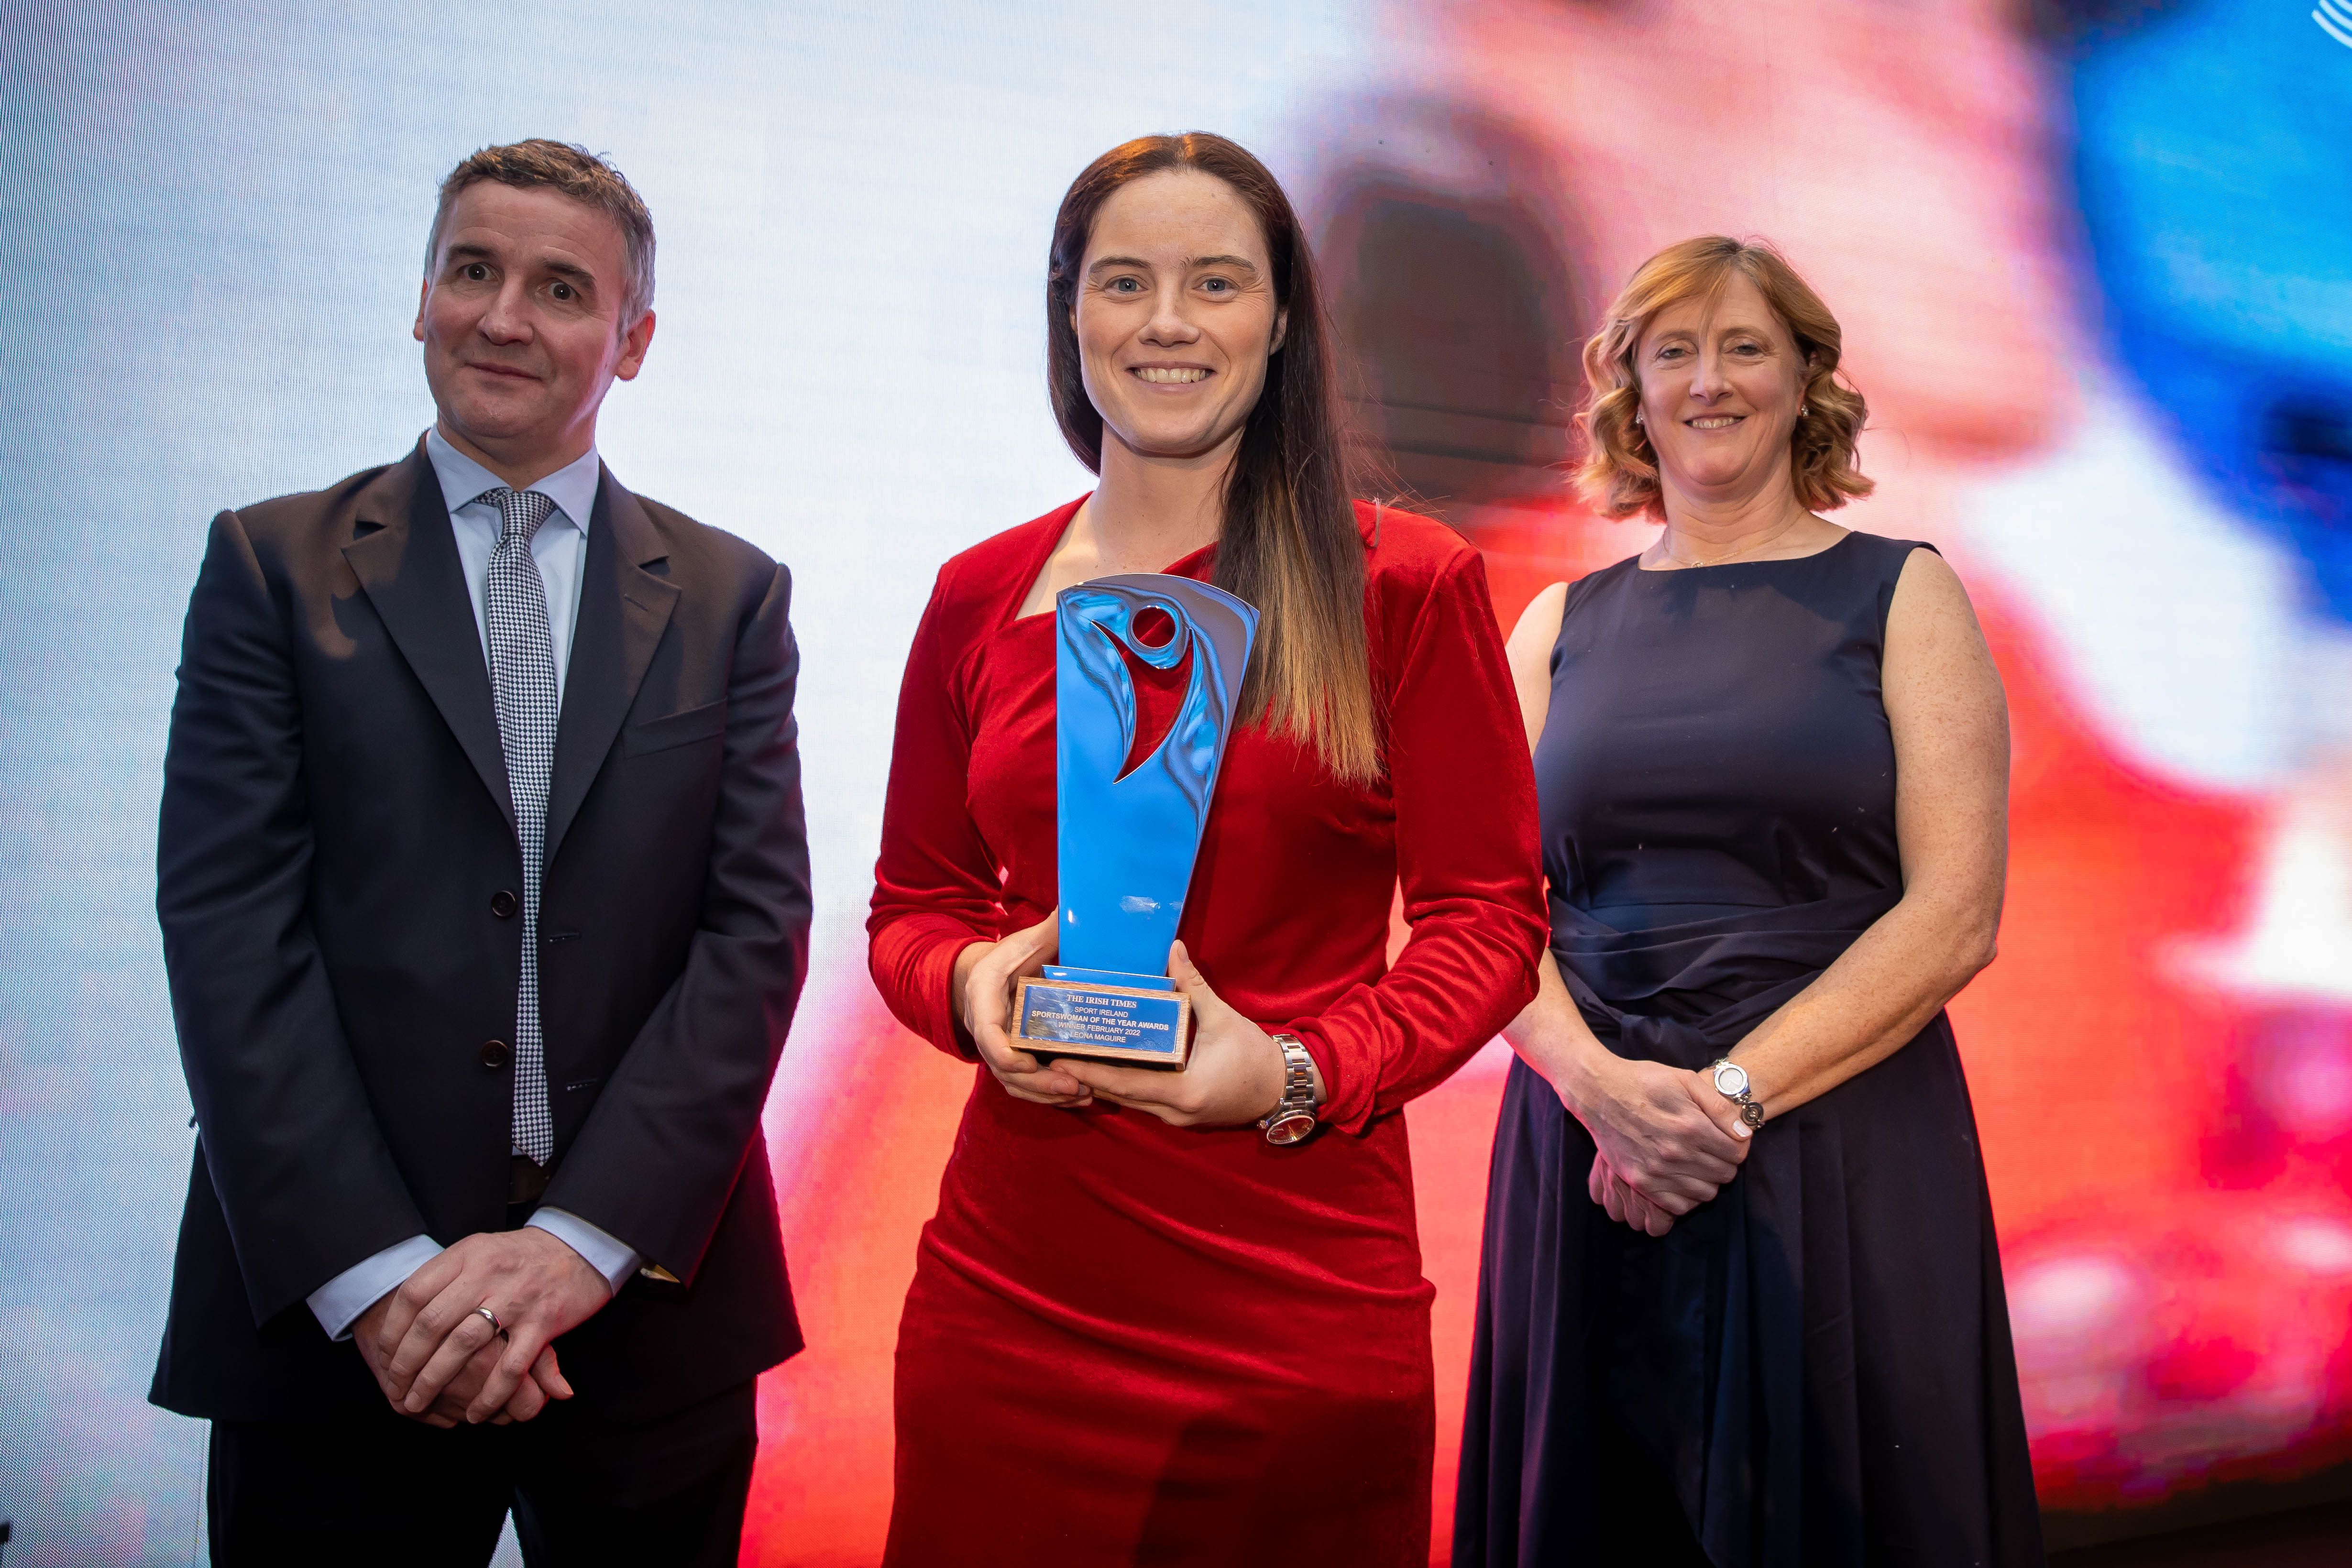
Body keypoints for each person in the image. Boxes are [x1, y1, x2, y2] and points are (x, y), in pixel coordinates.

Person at [866, 132, 1547, 1566]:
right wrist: (976, 989)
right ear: (1071, 315)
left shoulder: (1405, 584)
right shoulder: (976, 596)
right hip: (1010, 1306)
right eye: (1126, 281)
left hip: (1293, 1306)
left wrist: (1297, 1072)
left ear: (1285, 317)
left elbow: (1491, 919)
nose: (1168, 321)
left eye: (1216, 282)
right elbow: (913, 907)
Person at [149, 139, 811, 1562]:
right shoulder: (269, 567)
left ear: (631, 343)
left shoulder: (731, 596)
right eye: (473, 270)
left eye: (561, 287)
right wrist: (383, 1282)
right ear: (422, 298)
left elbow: (753, 938)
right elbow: (227, 937)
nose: (504, 315)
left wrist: (579, 1245)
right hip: (337, 1328)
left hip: (643, 1315)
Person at [1454, 236, 2044, 1566]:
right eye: (1676, 351)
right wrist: (1605, 1094)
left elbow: (1958, 914)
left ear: (1804, 381)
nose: (1709, 381)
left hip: (1833, 1145)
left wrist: (1723, 1104)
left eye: (1745, 347)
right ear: (1632, 393)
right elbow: (1475, 911)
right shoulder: (1554, 624)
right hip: (1592, 1153)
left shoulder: (1906, 594)